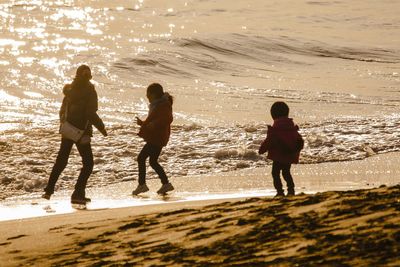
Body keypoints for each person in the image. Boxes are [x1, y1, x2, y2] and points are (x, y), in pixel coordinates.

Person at [42, 65, 108, 204]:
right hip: (82, 132)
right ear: (89, 77)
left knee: (61, 161)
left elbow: (62, 110)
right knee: (88, 164)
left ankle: (49, 189)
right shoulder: (90, 91)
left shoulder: (69, 90)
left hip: (68, 130)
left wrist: (64, 124)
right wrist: (101, 128)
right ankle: (78, 192)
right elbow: (90, 113)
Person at [132, 83, 174, 195]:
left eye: (148, 95)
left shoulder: (163, 105)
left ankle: (142, 185)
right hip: (157, 137)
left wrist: (154, 124)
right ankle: (166, 184)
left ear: (154, 94)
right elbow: (154, 119)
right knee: (153, 161)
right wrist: (143, 123)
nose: (147, 97)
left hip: (157, 138)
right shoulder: (158, 104)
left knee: (141, 158)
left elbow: (167, 118)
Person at [258, 101, 304, 197]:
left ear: (273, 115)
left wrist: (262, 150)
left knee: (275, 173)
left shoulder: (275, 130)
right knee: (286, 172)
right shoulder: (292, 128)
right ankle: (291, 190)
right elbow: (299, 140)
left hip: (278, 156)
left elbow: (269, 141)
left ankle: (280, 192)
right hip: (289, 155)